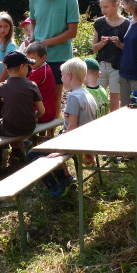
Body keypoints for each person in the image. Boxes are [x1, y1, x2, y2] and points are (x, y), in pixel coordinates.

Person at [42, 58, 98, 197]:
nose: (61, 78)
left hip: (77, 142)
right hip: (88, 140)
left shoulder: (74, 97)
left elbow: (71, 128)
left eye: (62, 75)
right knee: (48, 145)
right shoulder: (87, 94)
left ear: (69, 75)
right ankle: (66, 176)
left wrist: (61, 150)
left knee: (34, 154)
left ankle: (61, 184)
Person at [28, 0, 80, 118]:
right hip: (36, 57)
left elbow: (72, 32)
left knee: (55, 96)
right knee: (34, 95)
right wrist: (32, 36)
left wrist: (45, 43)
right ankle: (36, 127)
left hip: (59, 56)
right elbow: (33, 21)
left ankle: (53, 127)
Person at [0, 51, 44, 159]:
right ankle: (19, 149)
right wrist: (35, 115)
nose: (28, 69)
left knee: (7, 122)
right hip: (28, 127)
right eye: (27, 66)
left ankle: (16, 150)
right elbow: (42, 111)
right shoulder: (32, 85)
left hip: (8, 129)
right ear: (21, 66)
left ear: (7, 69)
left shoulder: (1, 87)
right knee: (19, 122)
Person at [92, 0, 129, 112]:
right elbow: (94, 48)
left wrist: (119, 44)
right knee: (96, 96)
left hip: (117, 67)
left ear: (116, 5)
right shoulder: (99, 22)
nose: (103, 10)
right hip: (101, 66)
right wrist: (102, 43)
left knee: (114, 99)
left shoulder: (126, 23)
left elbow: (129, 49)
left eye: (106, 7)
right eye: (101, 7)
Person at [25, 41, 57, 124]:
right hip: (48, 110)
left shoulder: (40, 72)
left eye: (33, 59)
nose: (30, 62)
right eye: (28, 59)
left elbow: (24, 85)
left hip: (42, 112)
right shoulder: (42, 67)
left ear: (43, 58)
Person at [0, 12, 18, 83]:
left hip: (4, 83)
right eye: (0, 26)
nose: (3, 29)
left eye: (6, 26)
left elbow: (7, 67)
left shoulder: (11, 45)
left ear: (10, 27)